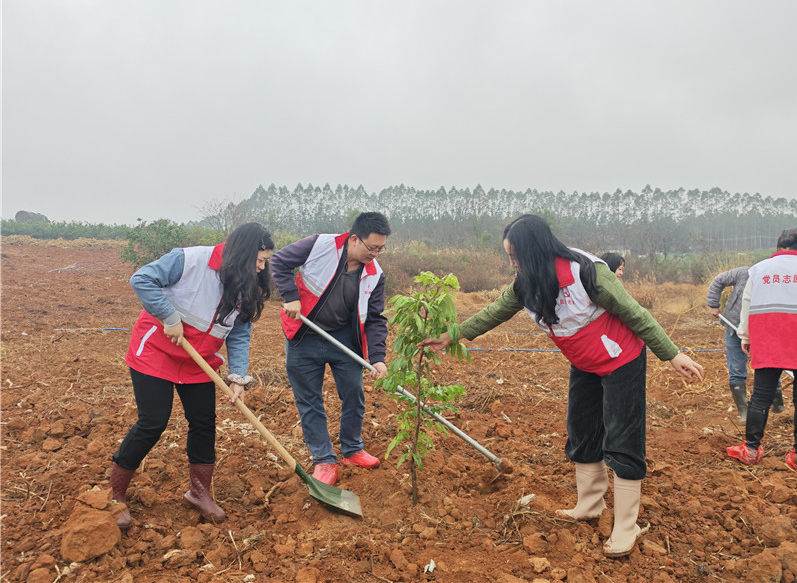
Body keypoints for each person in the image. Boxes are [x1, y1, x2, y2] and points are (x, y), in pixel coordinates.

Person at [420, 215, 703, 558]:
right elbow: (493, 313)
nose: (513, 264)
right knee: (581, 429)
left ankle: (626, 525)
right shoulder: (527, 283)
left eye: (515, 257)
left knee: (623, 437)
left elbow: (635, 313)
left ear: (535, 251)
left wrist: (673, 355)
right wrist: (451, 335)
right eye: (510, 257)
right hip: (584, 362)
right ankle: (590, 504)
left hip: (622, 359)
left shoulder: (588, 273)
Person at [110, 223, 274, 528]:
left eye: (264, 261)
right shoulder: (189, 260)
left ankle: (199, 493)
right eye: (259, 260)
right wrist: (168, 316)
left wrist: (238, 376)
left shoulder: (244, 282)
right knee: (153, 421)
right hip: (156, 351)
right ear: (241, 253)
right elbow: (142, 279)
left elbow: (239, 332)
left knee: (203, 422)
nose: (262, 267)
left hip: (200, 361)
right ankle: (116, 494)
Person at [270, 212, 391, 486]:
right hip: (304, 335)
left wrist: (379, 358)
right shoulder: (319, 245)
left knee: (354, 394)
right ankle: (324, 459)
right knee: (309, 400)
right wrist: (290, 298)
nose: (376, 253)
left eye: (381, 248)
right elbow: (279, 261)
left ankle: (352, 449)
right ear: (354, 239)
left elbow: (374, 318)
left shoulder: (375, 274)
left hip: (344, 340)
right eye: (371, 247)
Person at [726, 229, 797, 471]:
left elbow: (748, 303)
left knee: (760, 397)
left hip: (769, 338)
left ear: (778, 247)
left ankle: (750, 450)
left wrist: (745, 336)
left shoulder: (758, 270)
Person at [707, 267, 784, 423]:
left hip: (762, 330)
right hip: (734, 327)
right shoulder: (744, 273)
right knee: (736, 369)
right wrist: (713, 303)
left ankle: (777, 402)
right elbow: (718, 281)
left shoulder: (776, 280)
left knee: (769, 364)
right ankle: (744, 411)